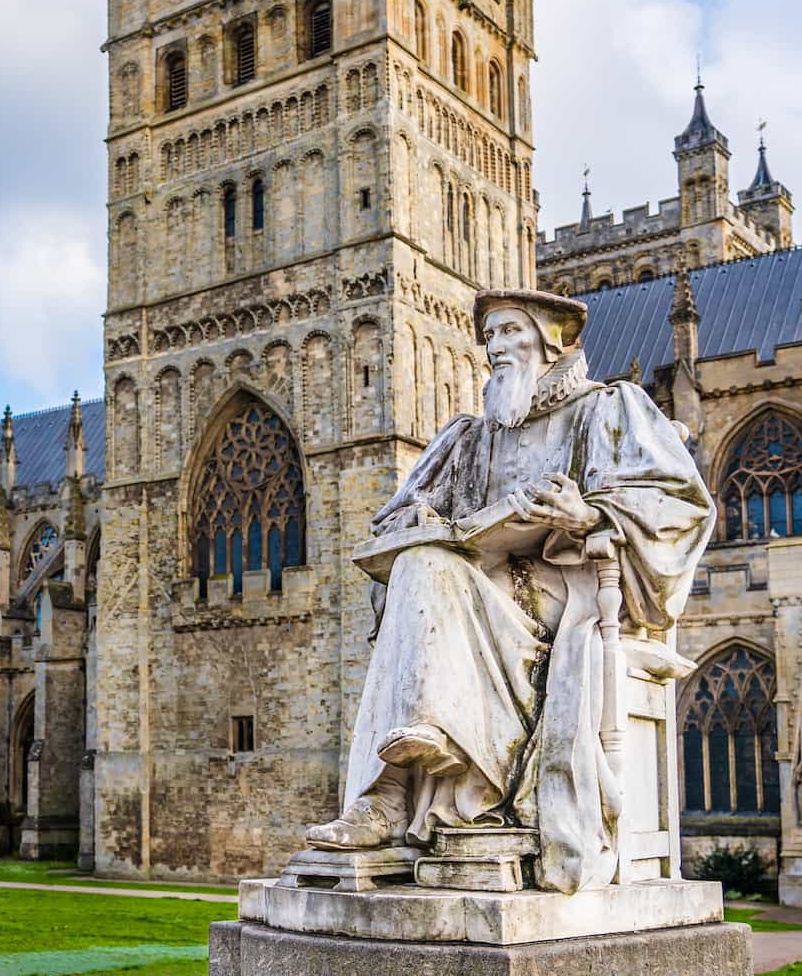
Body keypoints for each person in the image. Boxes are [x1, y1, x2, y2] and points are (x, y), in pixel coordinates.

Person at [305, 289, 714, 893]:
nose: (493, 346)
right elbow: (391, 519)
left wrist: (590, 515)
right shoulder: (469, 438)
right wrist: (417, 518)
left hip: (570, 592)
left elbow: (681, 505)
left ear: (552, 340)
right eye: (489, 335)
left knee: (430, 573)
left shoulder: (609, 409)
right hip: (473, 584)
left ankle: (394, 793)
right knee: (421, 563)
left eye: (508, 332)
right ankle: (398, 782)